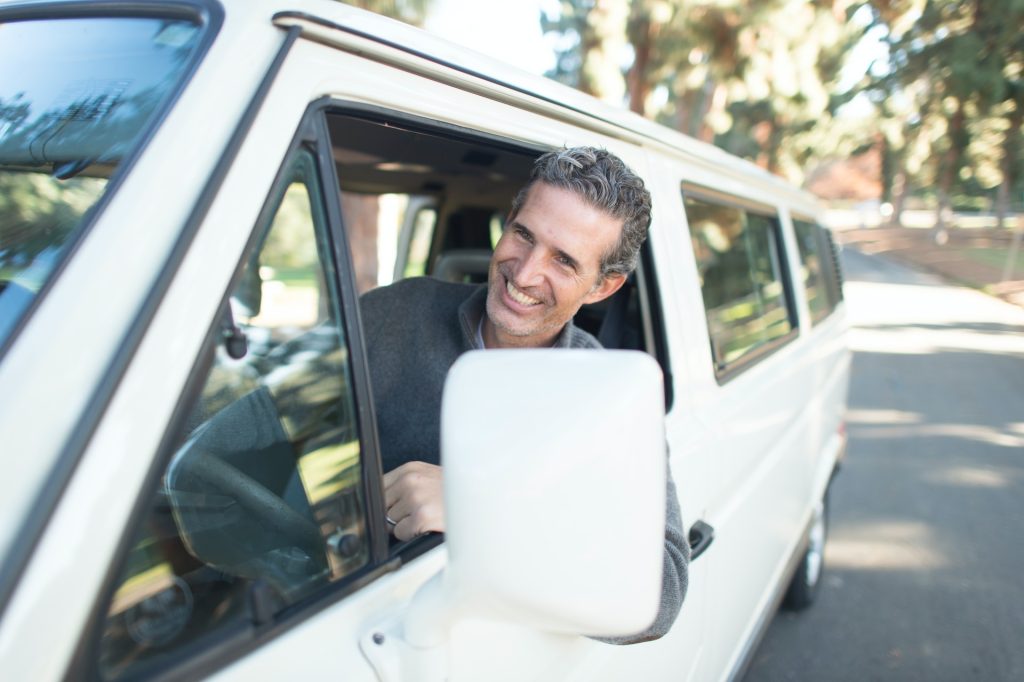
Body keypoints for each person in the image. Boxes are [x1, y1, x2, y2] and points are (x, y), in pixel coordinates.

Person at [359, 146, 688, 643]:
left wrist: (482, 510)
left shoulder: (611, 399)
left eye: (564, 260)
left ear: (603, 286)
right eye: (523, 234)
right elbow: (251, 437)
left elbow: (661, 594)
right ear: (509, 219)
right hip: (339, 622)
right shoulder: (394, 314)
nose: (526, 273)